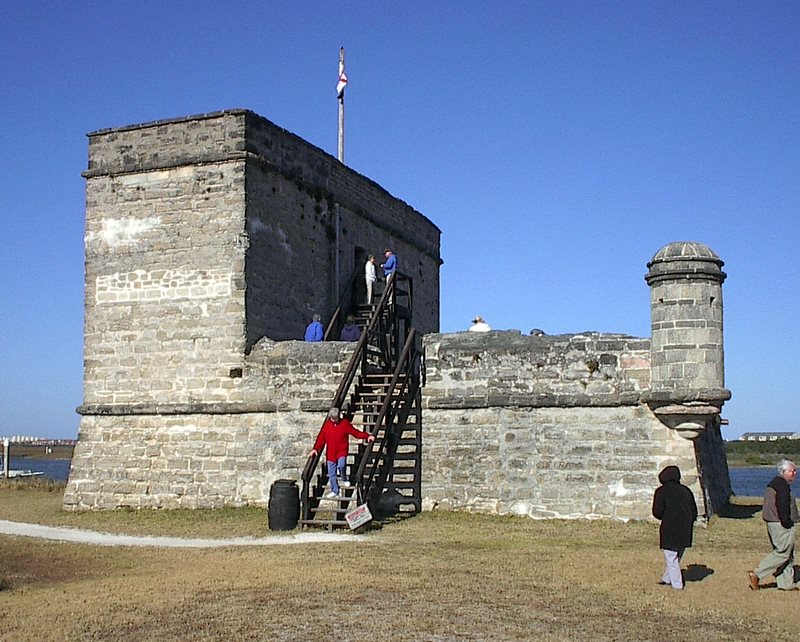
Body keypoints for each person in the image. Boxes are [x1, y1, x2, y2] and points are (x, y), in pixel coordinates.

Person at [748, 459, 799, 591]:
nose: (795, 473)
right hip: (780, 524)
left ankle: (786, 583)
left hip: (774, 522)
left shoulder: (775, 483)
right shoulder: (781, 485)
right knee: (782, 553)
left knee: (788, 554)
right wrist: (787, 522)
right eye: (792, 471)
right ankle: (757, 574)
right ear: (784, 472)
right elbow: (782, 506)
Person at [308, 407, 374, 498]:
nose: (334, 420)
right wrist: (315, 448)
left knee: (341, 465)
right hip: (331, 453)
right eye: (332, 418)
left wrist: (367, 436)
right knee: (332, 473)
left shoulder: (345, 424)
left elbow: (356, 433)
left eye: (335, 418)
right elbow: (321, 439)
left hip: (341, 451)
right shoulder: (327, 425)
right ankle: (335, 490)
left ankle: (344, 477)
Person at [652, 465, 698, 590]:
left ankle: (677, 585)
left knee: (671, 557)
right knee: (675, 556)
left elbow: (657, 512)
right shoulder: (686, 491)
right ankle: (667, 578)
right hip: (686, 528)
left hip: (670, 528)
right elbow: (694, 511)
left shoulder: (661, 491)